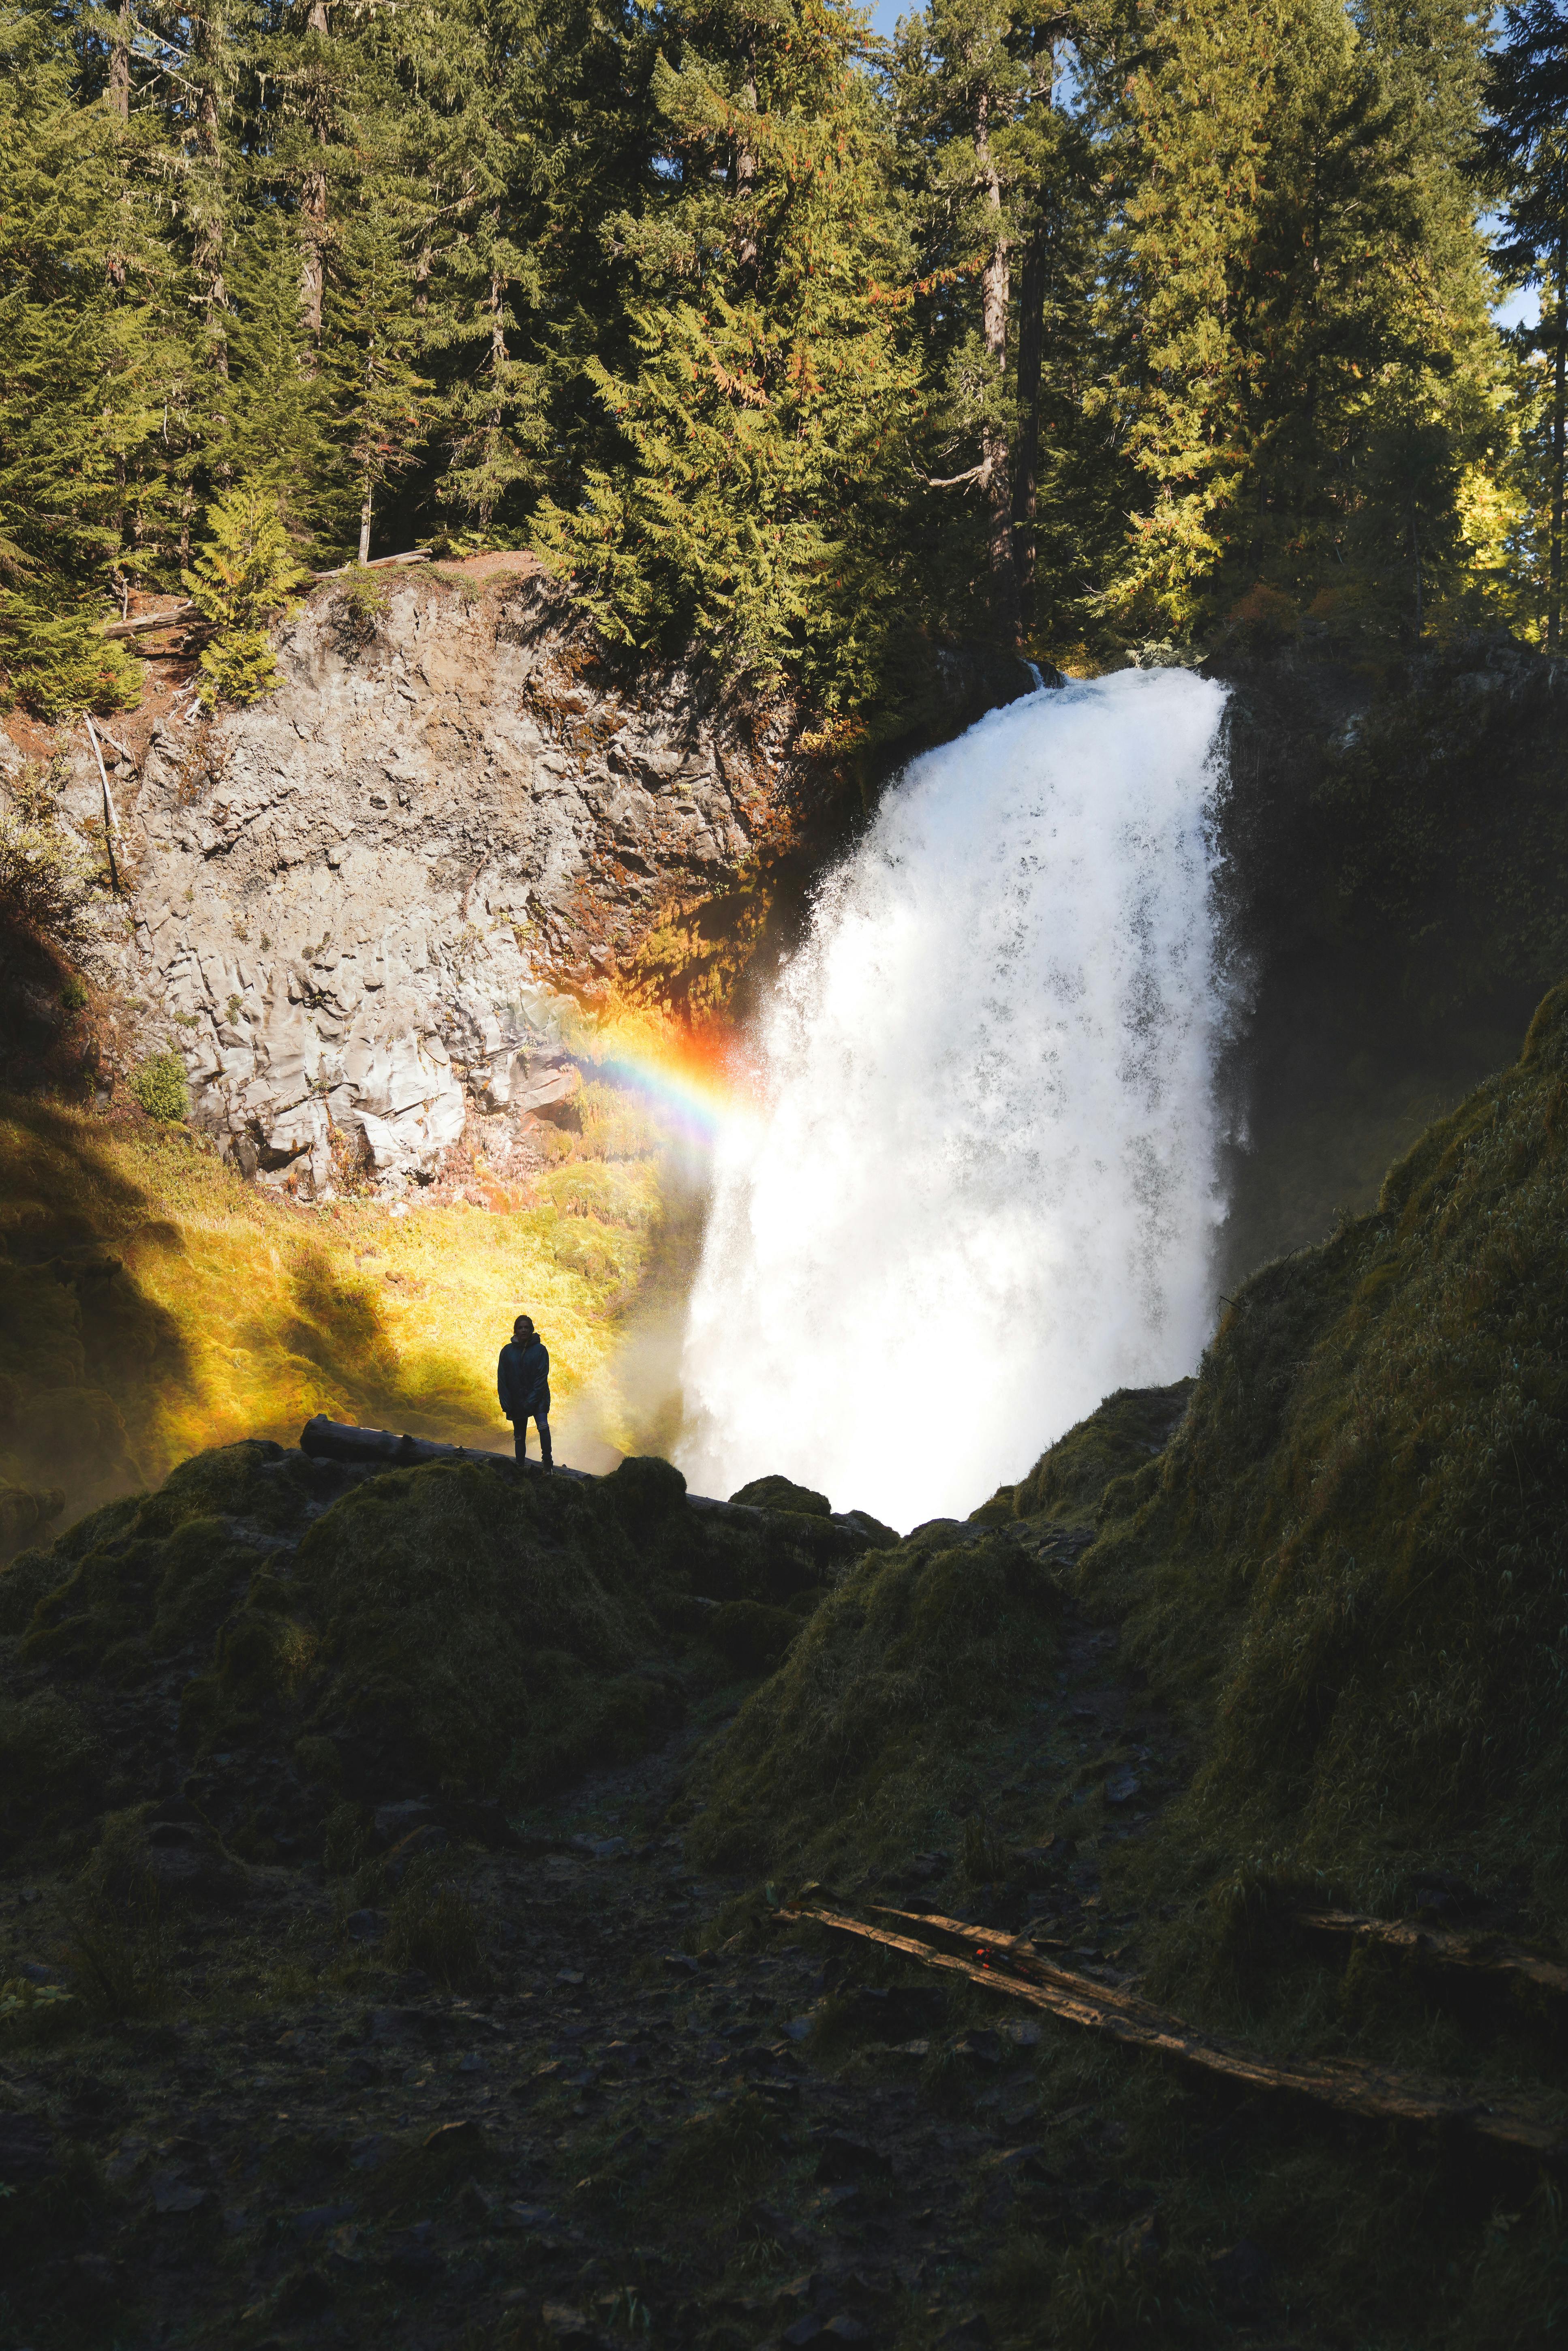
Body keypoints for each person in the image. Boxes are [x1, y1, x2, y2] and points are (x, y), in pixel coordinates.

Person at [498, 1314, 552, 1470]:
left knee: (543, 1427)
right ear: (515, 1331)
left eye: (526, 1328)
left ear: (532, 1330)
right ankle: (520, 1466)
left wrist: (532, 1400)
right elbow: (502, 1377)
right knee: (519, 1435)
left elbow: (542, 1377)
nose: (523, 1330)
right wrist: (505, 1398)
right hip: (517, 1398)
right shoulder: (507, 1351)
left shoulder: (541, 1350)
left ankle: (548, 1465)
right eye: (520, 1328)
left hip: (539, 1397)